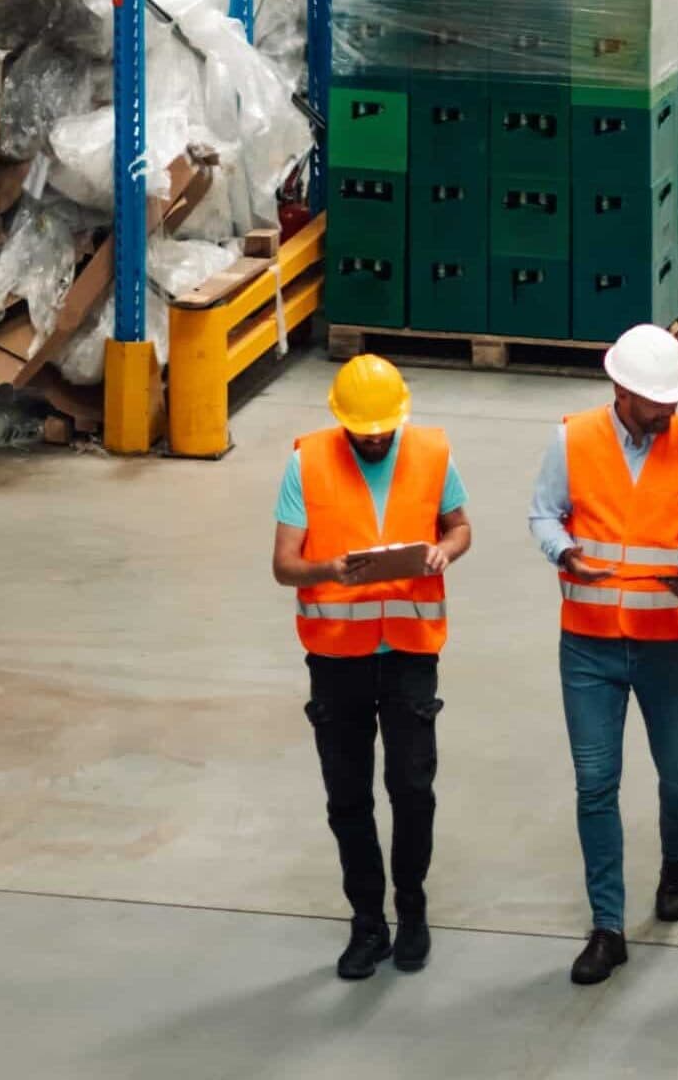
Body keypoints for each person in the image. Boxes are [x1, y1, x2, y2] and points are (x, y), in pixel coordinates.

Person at [530, 322, 678, 986]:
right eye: (656, 399)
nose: (669, 410)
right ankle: (607, 928)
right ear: (621, 390)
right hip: (589, 645)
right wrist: (566, 553)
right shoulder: (573, 440)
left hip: (668, 643)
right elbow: (543, 514)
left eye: (674, 397)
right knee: (595, 785)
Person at [271, 354, 472, 981]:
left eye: (385, 428)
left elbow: (460, 527)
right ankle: (367, 923)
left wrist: (443, 552)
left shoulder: (433, 453)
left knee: (412, 790)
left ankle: (412, 913)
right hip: (337, 660)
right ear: (344, 423)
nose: (377, 439)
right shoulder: (306, 462)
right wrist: (327, 570)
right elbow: (283, 565)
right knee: (349, 797)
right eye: (366, 431)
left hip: (411, 651)